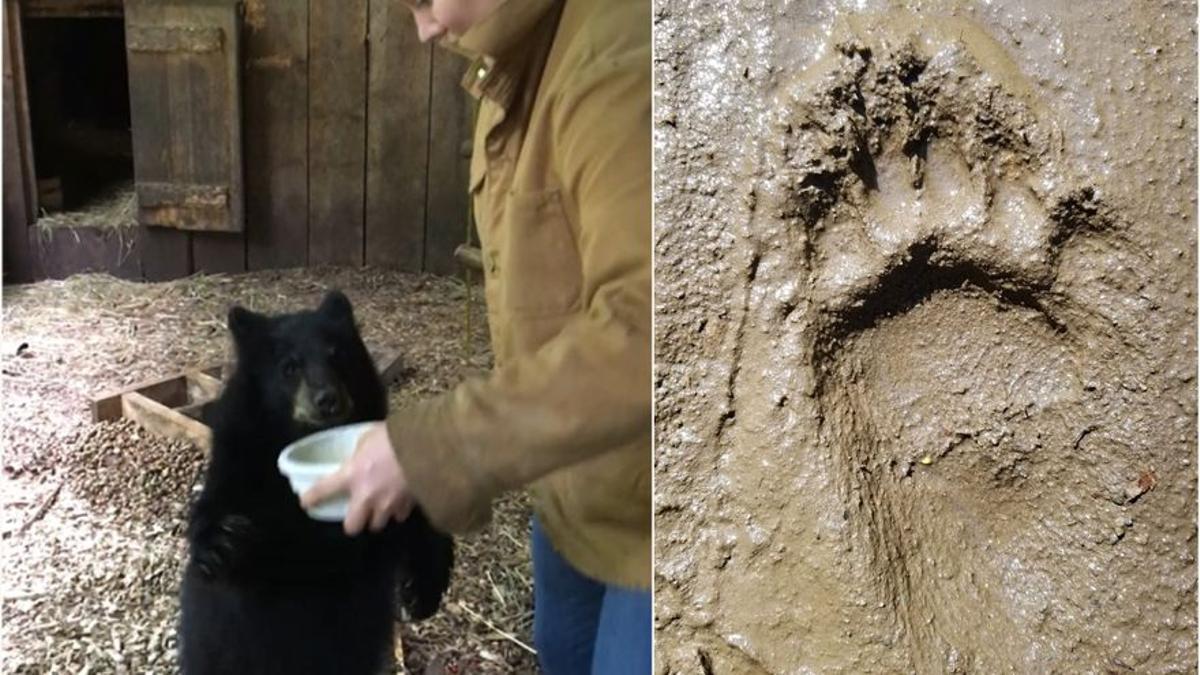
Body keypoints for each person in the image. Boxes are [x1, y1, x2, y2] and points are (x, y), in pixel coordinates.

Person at [300, 0, 651, 672]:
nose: (424, 28)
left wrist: (433, 448)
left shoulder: (617, 64)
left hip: (656, 524)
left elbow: (650, 327)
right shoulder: (514, 65)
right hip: (573, 489)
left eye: (426, 2)